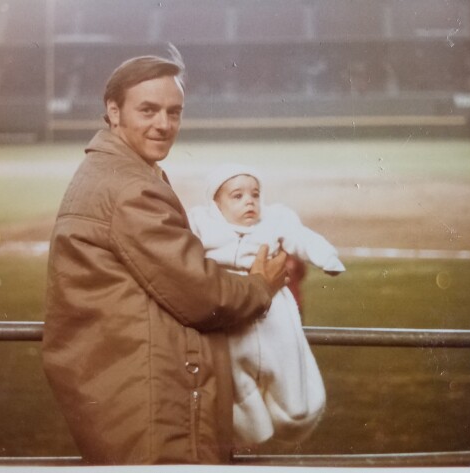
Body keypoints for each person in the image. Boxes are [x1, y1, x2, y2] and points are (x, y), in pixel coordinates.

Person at [41, 48, 288, 465]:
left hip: (124, 386)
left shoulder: (116, 171)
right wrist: (261, 285)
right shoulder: (129, 187)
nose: (164, 124)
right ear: (114, 111)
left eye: (174, 112)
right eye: (148, 110)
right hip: (147, 399)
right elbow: (201, 294)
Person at [188, 163, 346, 446]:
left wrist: (327, 257)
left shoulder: (275, 221)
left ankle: (296, 414)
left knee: (288, 367)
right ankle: (250, 431)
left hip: (274, 312)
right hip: (232, 316)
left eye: (255, 194)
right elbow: (180, 251)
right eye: (237, 196)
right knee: (234, 378)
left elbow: (302, 238)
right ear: (216, 204)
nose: (249, 201)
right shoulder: (202, 223)